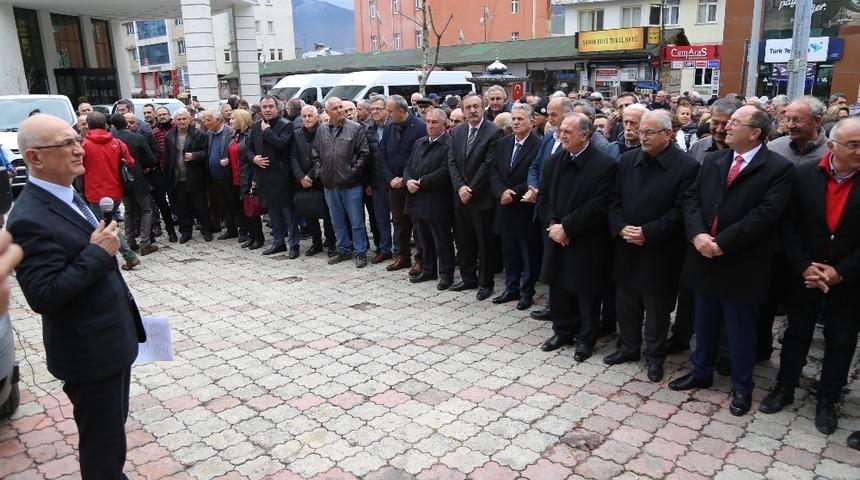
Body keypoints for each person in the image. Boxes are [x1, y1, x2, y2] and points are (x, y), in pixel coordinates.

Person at [8, 113, 146, 478]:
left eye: (77, 139)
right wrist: (98, 252)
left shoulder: (67, 193)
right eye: (67, 143)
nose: (79, 149)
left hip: (110, 342)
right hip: (89, 354)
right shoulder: (29, 217)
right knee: (103, 450)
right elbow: (43, 295)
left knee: (111, 437)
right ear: (35, 157)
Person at [669, 105, 794, 417]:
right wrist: (698, 235)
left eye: (735, 123)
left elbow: (766, 215)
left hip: (742, 262)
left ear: (755, 133)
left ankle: (742, 386)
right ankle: (701, 371)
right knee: (705, 321)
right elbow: (692, 199)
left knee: (740, 329)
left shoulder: (777, 168)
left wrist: (722, 243)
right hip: (704, 255)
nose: (725, 127)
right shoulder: (715, 159)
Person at [758, 118, 860, 435]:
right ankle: (785, 386)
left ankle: (828, 398)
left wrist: (841, 271)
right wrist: (804, 265)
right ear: (832, 146)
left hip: (848, 278)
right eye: (853, 145)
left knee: (841, 339)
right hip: (805, 273)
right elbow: (787, 224)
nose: (859, 151)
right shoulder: (803, 175)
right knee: (797, 332)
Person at [603, 110, 699, 382]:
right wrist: (620, 227)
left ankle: (655, 356)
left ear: (668, 134)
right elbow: (613, 199)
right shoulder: (627, 160)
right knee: (627, 302)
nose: (642, 137)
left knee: (657, 309)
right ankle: (628, 347)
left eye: (649, 132)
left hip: (661, 250)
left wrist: (648, 232)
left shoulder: (687, 167)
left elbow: (682, 211)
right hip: (627, 244)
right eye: (640, 131)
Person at [536, 113, 617, 361]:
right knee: (558, 286)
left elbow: (598, 205)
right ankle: (562, 332)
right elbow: (543, 197)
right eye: (561, 130)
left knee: (586, 292)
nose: (562, 135)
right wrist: (553, 224)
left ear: (585, 135)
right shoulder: (554, 161)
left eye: (568, 132)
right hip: (556, 235)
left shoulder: (604, 165)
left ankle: (586, 339)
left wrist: (567, 228)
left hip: (586, 240)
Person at [448, 93, 503, 300]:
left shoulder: (494, 132)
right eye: (468, 107)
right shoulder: (457, 131)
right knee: (464, 240)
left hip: (481, 197)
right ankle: (468, 278)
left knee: (484, 243)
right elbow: (452, 162)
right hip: (460, 196)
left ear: (483, 107)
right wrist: (460, 188)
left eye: (476, 106)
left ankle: (485, 283)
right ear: (463, 110)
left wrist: (469, 189)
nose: (472, 110)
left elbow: (488, 165)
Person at [489, 103, 541, 310]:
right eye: (514, 119)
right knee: (509, 252)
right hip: (504, 206)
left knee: (528, 254)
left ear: (531, 122)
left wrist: (513, 193)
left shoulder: (538, 145)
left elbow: (536, 174)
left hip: (524, 207)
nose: (516, 122)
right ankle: (511, 288)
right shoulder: (504, 142)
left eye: (521, 119)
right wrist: (501, 191)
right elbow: (493, 170)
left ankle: (527, 292)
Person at [81, 112, 142, 270]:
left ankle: (129, 256)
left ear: (88, 126)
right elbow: (131, 162)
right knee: (110, 222)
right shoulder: (117, 143)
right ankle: (117, 255)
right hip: (115, 191)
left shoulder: (84, 145)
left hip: (95, 192)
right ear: (106, 125)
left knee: (106, 226)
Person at [315, 97, 371, 267]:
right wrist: (320, 172)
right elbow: (315, 154)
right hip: (329, 184)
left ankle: (360, 252)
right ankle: (343, 250)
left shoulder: (355, 128)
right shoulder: (321, 130)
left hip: (351, 184)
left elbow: (364, 153)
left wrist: (351, 173)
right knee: (337, 221)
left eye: (341, 107)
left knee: (356, 221)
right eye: (336, 108)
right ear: (327, 112)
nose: (341, 110)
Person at [403, 108, 455, 290]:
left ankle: (446, 275)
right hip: (417, 198)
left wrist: (422, 181)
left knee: (442, 240)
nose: (430, 125)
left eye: (435, 122)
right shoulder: (420, 142)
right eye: (428, 122)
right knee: (423, 239)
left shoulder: (449, 144)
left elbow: (445, 171)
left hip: (437, 200)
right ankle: (428, 269)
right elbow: (408, 165)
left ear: (444, 124)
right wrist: (408, 180)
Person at [246, 95, 300, 257]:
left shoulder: (286, 125)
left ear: (277, 108)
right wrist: (254, 159)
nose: (267, 110)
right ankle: (278, 242)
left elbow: (281, 144)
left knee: (288, 213)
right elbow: (248, 148)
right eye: (264, 107)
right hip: (263, 176)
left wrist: (267, 131)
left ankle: (294, 244)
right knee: (272, 212)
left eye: (270, 106)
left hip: (282, 177)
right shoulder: (256, 125)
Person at [381, 95, 426, 271]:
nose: (388, 114)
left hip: (413, 185)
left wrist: (406, 179)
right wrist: (390, 178)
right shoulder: (389, 127)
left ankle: (421, 260)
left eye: (390, 111)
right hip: (394, 185)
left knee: (418, 225)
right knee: (399, 223)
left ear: (401, 111)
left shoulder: (420, 127)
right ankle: (403, 256)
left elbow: (422, 158)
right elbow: (382, 155)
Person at [111, 113, 159, 256]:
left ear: (113, 126)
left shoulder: (112, 140)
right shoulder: (138, 138)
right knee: (146, 210)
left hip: (121, 180)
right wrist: (142, 166)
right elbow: (152, 159)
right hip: (138, 179)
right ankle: (145, 243)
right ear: (126, 124)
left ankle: (130, 241)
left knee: (128, 211)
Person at [164, 109, 214, 243]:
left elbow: (206, 152)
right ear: (175, 121)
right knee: (182, 207)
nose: (182, 122)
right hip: (178, 178)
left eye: (184, 119)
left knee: (201, 206)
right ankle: (186, 231)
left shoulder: (198, 134)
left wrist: (195, 156)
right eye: (179, 119)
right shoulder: (169, 135)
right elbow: (167, 158)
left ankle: (207, 230)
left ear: (190, 119)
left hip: (195, 176)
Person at [292, 105, 335, 256]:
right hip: (303, 180)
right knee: (309, 212)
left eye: (310, 116)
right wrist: (300, 176)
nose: (307, 119)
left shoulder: (324, 132)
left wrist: (310, 175)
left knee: (328, 214)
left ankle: (331, 243)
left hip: (321, 178)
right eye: (304, 116)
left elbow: (323, 157)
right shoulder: (296, 134)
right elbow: (293, 157)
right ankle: (316, 243)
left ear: (317, 117)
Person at [204, 111, 242, 241]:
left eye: (209, 120)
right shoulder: (209, 133)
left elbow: (236, 151)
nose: (206, 123)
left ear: (218, 120)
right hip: (215, 177)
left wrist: (228, 161)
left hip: (229, 175)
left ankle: (242, 230)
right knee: (223, 205)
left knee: (235, 204)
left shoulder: (230, 132)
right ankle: (231, 230)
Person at [767, 96, 829, 165]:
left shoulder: (832, 153)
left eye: (797, 120)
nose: (790, 125)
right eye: (788, 119)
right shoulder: (774, 148)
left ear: (817, 121)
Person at [227, 108, 255, 247]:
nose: (230, 121)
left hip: (246, 176)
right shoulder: (234, 135)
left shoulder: (249, 135)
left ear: (241, 120)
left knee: (249, 208)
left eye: (233, 118)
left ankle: (254, 235)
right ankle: (245, 231)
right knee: (239, 208)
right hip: (234, 176)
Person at [686, 97, 743, 164]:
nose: (719, 129)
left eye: (726, 124)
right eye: (715, 123)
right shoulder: (697, 148)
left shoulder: (745, 151)